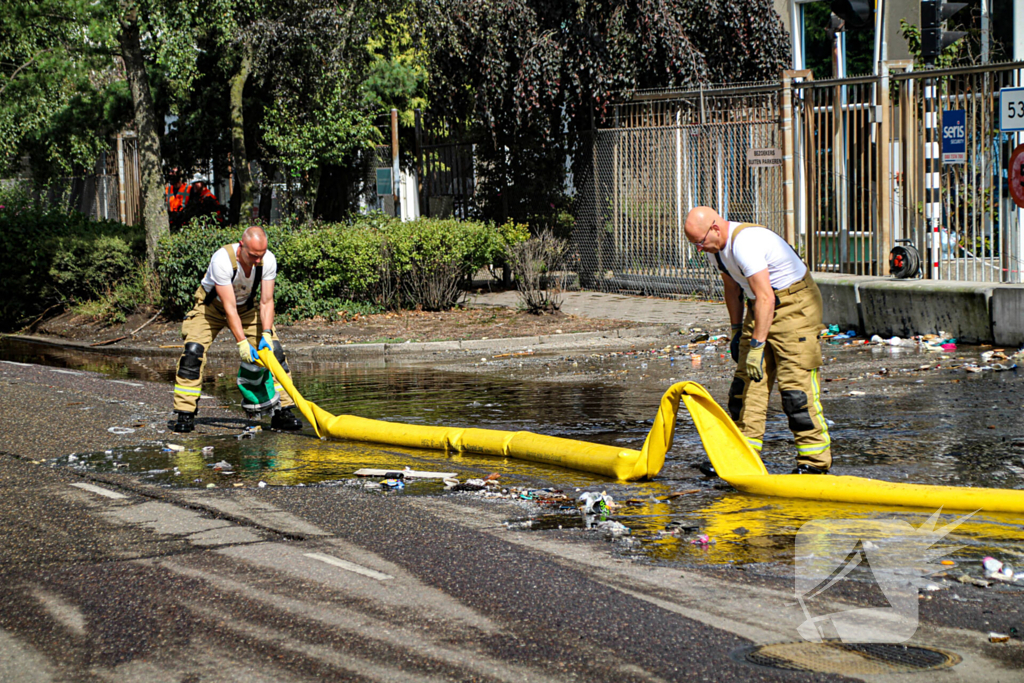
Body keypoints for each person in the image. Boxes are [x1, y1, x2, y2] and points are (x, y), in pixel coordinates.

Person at [683, 206, 831, 474]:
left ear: (715, 227)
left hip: (794, 305)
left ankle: (814, 462)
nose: (700, 250)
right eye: (695, 244)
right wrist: (738, 330)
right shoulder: (718, 250)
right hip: (760, 304)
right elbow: (733, 289)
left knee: (795, 390)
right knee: (746, 386)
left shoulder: (745, 244)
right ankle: (743, 455)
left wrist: (757, 346)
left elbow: (767, 298)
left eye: (700, 242)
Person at [171, 226, 303, 433]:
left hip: (246, 309)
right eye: (253, 256)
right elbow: (228, 307)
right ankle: (185, 413)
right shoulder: (222, 260)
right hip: (211, 308)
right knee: (193, 353)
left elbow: (267, 301)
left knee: (275, 352)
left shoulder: (267, 260)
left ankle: (282, 411)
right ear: (241, 246)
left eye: (261, 255)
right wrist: (242, 342)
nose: (258, 261)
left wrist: (266, 334)